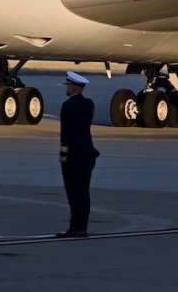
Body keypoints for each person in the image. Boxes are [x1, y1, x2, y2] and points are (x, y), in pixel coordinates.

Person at [56, 70, 100, 238]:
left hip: (74, 155)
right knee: (84, 192)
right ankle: (82, 227)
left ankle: (74, 228)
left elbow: (66, 132)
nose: (66, 89)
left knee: (73, 193)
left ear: (74, 87)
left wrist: (63, 153)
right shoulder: (89, 104)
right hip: (88, 153)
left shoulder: (68, 106)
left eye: (68, 85)